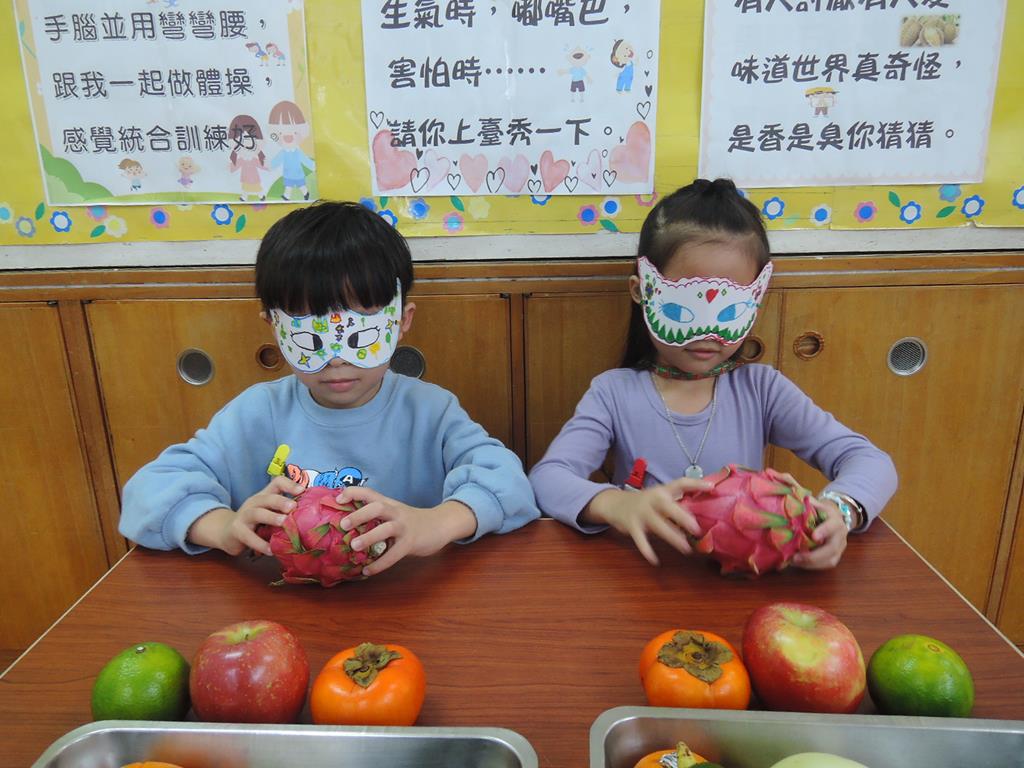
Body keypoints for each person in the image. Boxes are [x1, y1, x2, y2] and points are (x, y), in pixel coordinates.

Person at [120, 201, 540, 575]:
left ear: (402, 321)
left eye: (361, 335)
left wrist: (437, 523)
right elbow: (147, 491)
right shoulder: (256, 413)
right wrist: (223, 527)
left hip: (407, 599)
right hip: (282, 602)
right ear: (274, 327)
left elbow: (510, 482)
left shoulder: (431, 412)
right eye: (310, 338)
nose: (336, 359)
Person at [529, 178, 897, 570]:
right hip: (645, 579)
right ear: (641, 291)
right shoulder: (613, 393)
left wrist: (839, 511)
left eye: (729, 311)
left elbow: (870, 461)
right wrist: (617, 504)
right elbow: (548, 477)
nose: (707, 335)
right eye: (684, 307)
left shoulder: (763, 390)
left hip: (745, 582)